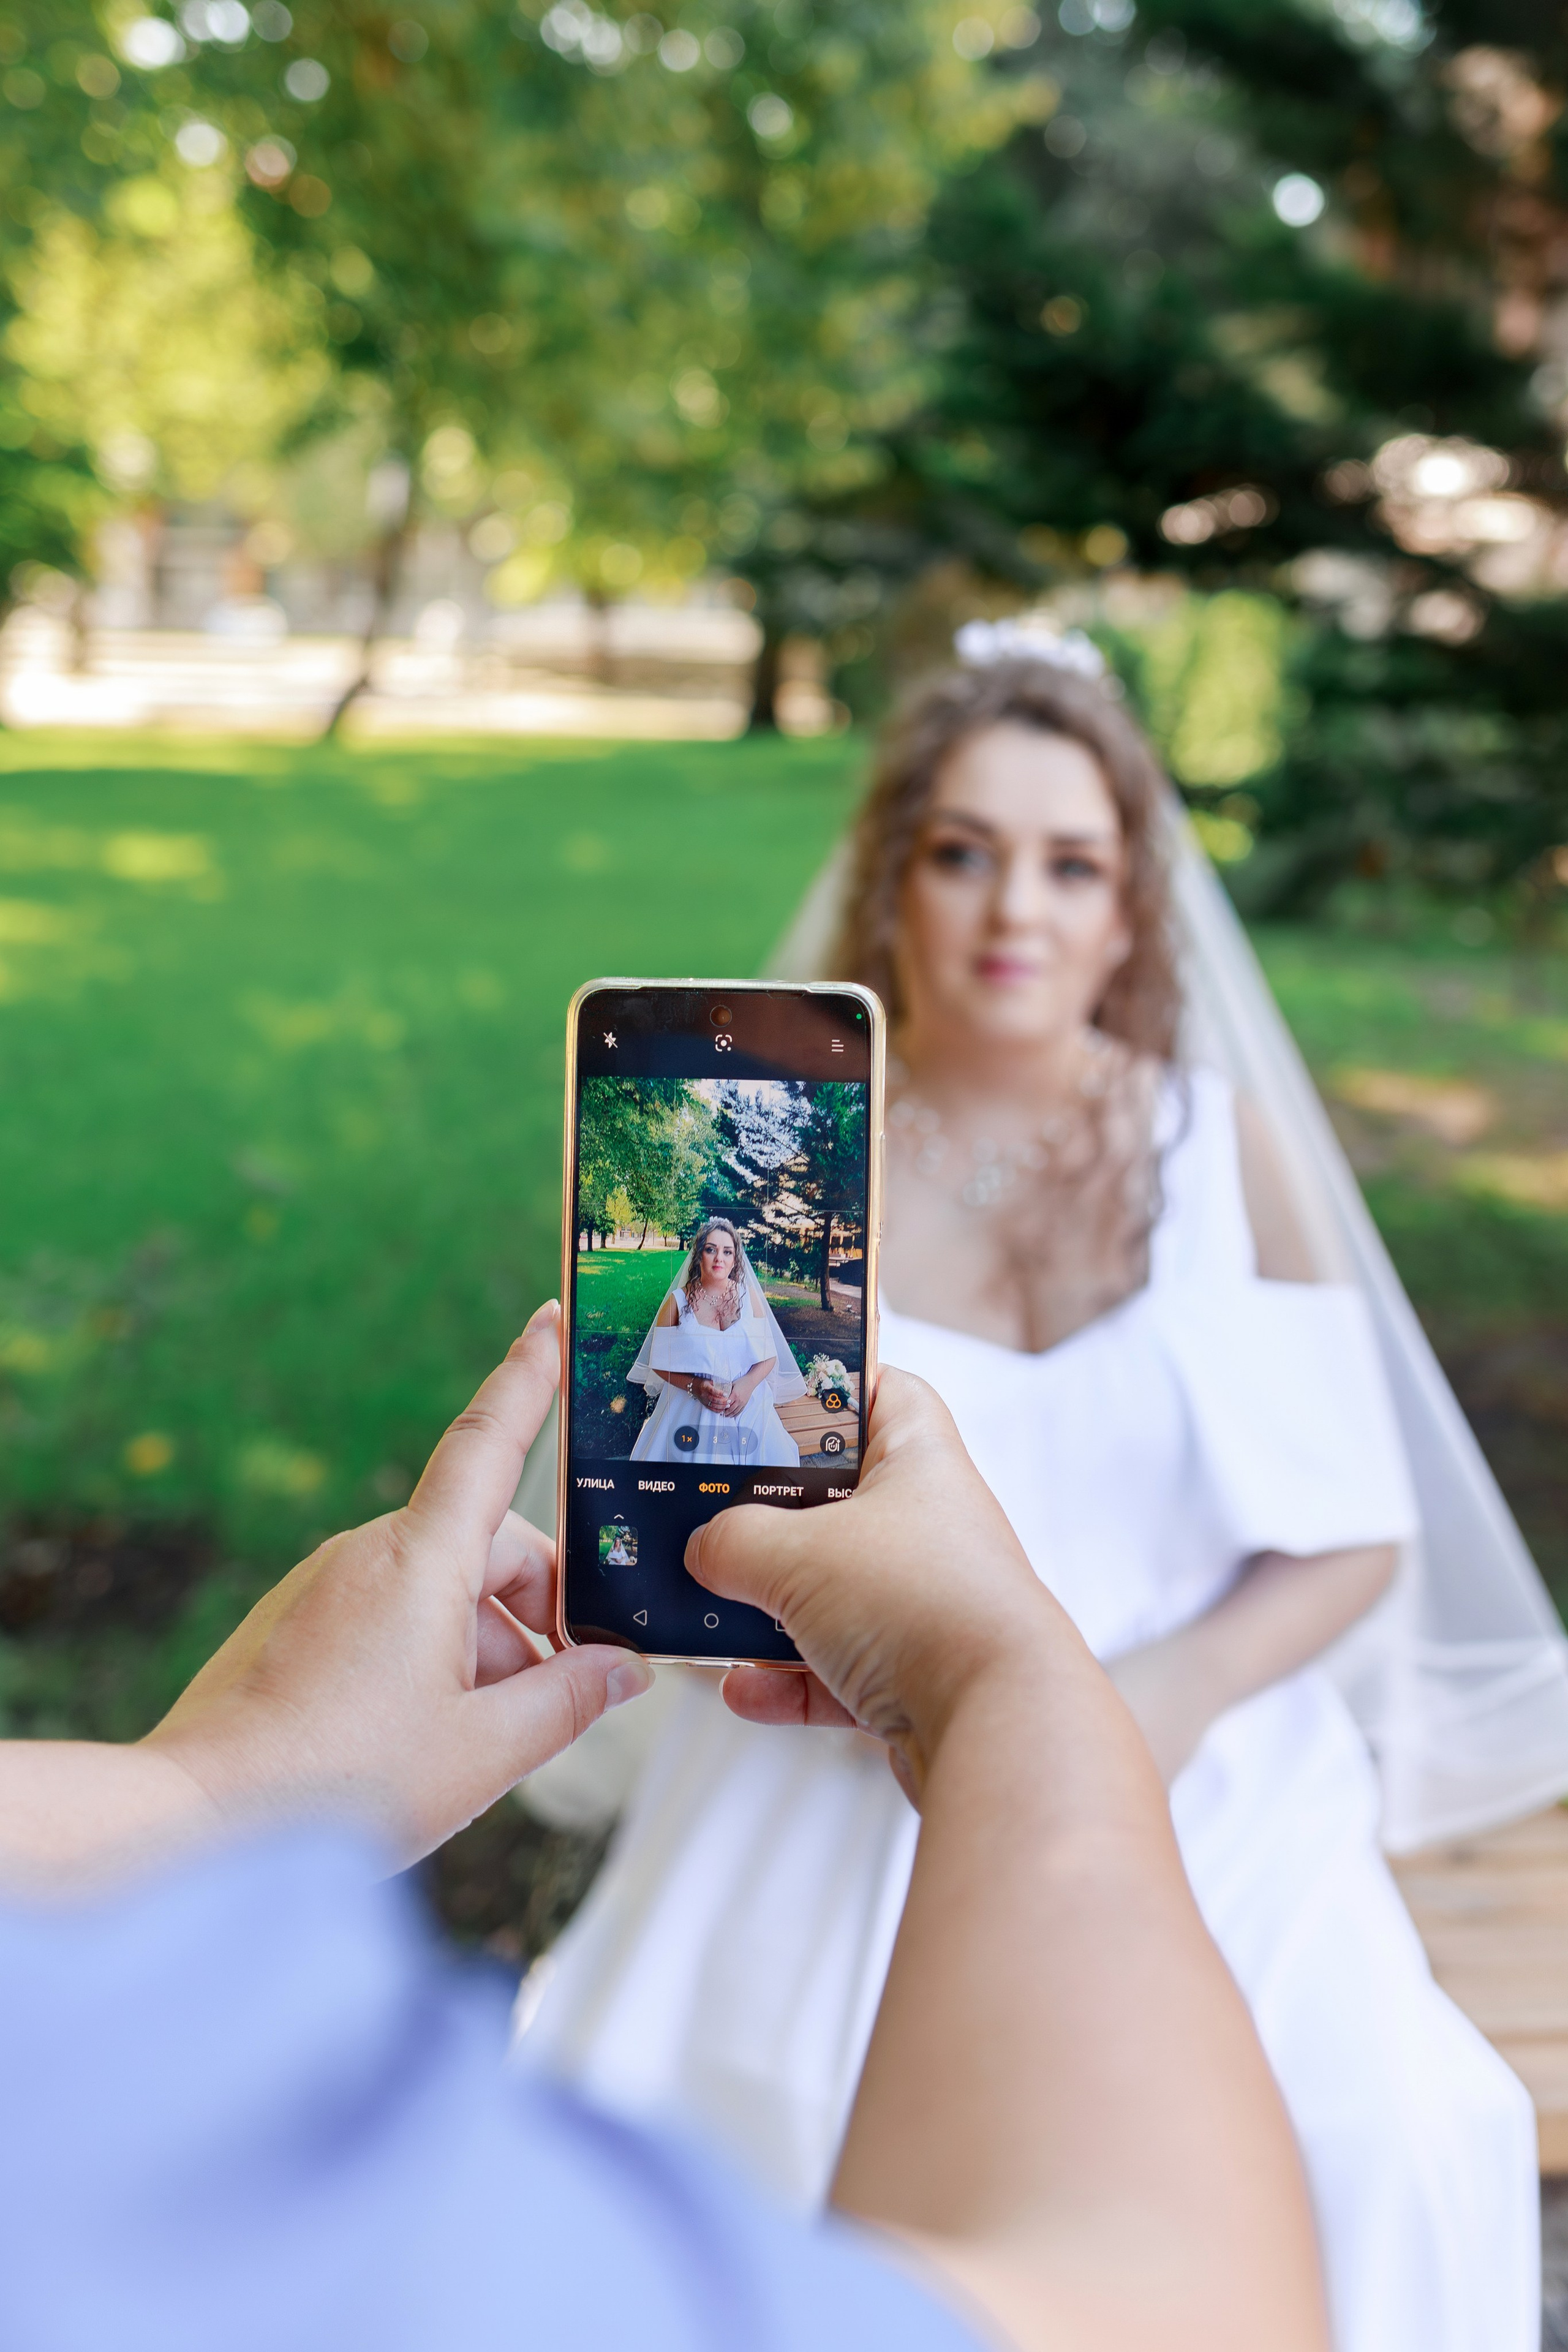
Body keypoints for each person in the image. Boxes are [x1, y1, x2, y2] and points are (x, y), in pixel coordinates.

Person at [520, 646, 1542, 2352]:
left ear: (1134, 907)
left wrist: (1162, 1697)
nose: (1020, 908)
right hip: (838, 1750)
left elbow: (1354, 1533)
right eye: (966, 850)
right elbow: (669, 1490)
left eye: (1074, 864)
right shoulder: (771, 1175)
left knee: (1391, 2131)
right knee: (745, 2119)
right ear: (890, 877)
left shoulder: (1224, 1150)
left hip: (1199, 1766)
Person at [0, 1308, 1330, 2352]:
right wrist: (1002, 1676)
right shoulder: (216, 2179)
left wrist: (209, 1794)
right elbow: (1171, 2309)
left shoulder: (102, 2094)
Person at [627, 1216, 802, 1467]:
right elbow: (658, 1362)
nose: (720, 1258)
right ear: (699, 1256)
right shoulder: (677, 1302)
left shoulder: (748, 1296)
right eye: (711, 1250)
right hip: (691, 1408)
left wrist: (747, 1386)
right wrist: (696, 1387)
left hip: (748, 1408)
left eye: (727, 1252)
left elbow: (769, 1355)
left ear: (735, 1259)